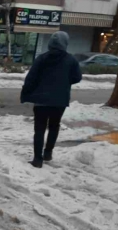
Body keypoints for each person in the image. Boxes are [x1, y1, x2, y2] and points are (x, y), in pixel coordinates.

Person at [21, 31, 82, 168]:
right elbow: (77, 77)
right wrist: (64, 82)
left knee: (39, 129)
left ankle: (37, 159)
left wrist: (26, 93)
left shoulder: (42, 59)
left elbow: (31, 78)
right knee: (54, 126)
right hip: (60, 100)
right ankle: (48, 153)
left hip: (41, 100)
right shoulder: (71, 60)